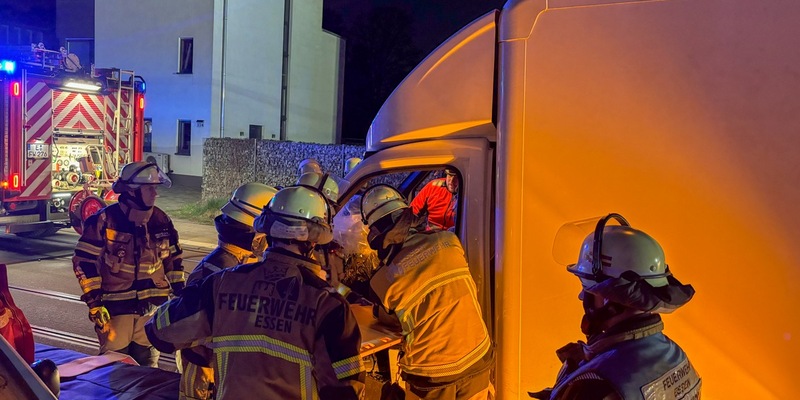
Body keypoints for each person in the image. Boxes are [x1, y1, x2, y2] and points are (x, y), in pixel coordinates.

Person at [145, 185, 365, 400]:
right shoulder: (329, 305)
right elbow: (346, 391)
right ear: (316, 240)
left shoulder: (222, 283)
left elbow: (159, 332)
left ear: (265, 229)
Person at [529, 214, 701, 400]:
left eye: (587, 289)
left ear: (608, 299)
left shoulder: (596, 385)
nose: (581, 296)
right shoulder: (676, 357)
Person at [361, 184, 494, 400]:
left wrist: (375, 312)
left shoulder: (382, 281)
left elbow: (394, 321)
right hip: (477, 356)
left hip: (432, 373)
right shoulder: (449, 241)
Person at [72, 161, 184, 367]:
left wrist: (180, 293)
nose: (155, 194)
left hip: (151, 310)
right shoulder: (105, 220)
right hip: (115, 311)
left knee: (148, 371)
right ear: (132, 192)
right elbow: (84, 261)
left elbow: (174, 259)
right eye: (149, 189)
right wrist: (94, 303)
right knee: (115, 371)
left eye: (155, 188)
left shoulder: (161, 220)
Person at [179, 182, 278, 400]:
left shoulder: (233, 265)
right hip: (208, 372)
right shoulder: (222, 272)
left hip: (221, 370)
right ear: (255, 234)